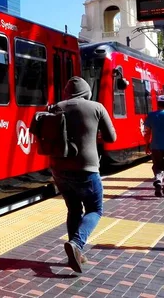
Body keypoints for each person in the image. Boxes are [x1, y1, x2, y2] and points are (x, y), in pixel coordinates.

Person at [49, 76, 116, 274]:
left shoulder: (55, 107)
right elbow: (111, 138)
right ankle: (77, 244)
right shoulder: (96, 107)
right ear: (87, 92)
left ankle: (77, 252)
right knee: (95, 209)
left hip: (58, 169)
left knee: (74, 209)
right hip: (86, 168)